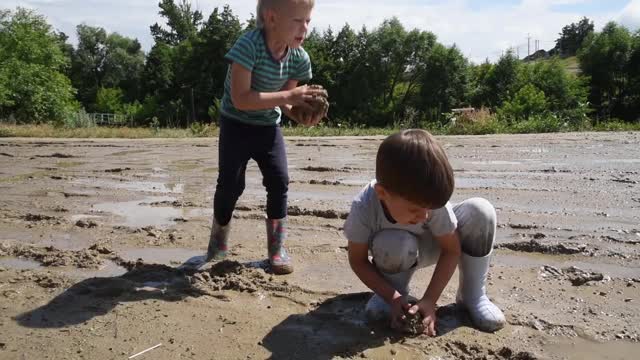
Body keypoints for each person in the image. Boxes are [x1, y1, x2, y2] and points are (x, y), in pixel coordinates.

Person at [343, 129, 506, 335]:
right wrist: (392, 297)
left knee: (481, 210)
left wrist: (430, 300)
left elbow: (451, 250)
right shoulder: (364, 207)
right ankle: (397, 292)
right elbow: (357, 260)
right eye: (415, 210)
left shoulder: (427, 202)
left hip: (435, 245)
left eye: (430, 209)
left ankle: (472, 296)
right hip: (397, 251)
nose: (425, 216)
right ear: (382, 193)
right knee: (392, 241)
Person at [207, 0, 324, 275]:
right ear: (272, 18)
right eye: (297, 21)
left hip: (268, 127)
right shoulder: (249, 46)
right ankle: (217, 245)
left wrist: (300, 116)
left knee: (279, 181)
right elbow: (241, 98)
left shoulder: (298, 57)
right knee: (230, 185)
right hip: (235, 123)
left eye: (308, 21)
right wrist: (289, 97)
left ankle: (276, 250)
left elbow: (285, 102)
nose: (304, 28)